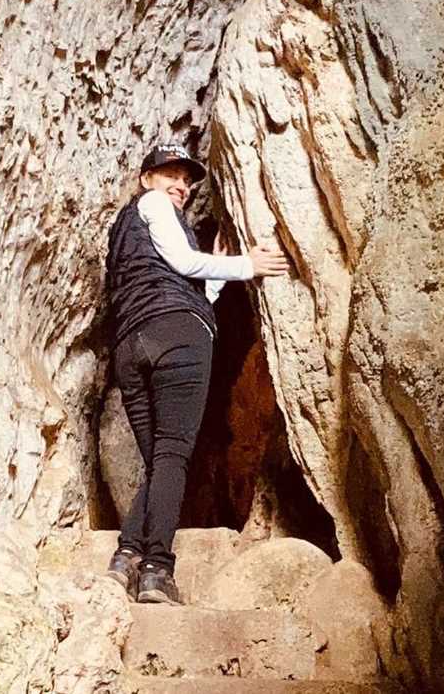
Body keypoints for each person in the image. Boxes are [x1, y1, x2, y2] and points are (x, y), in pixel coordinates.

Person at [103, 142, 288, 604]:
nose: (181, 186)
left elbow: (173, 282)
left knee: (159, 463)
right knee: (173, 457)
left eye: (186, 180)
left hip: (130, 344)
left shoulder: (122, 231)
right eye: (171, 175)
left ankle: (126, 557)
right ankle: (157, 571)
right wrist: (248, 265)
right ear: (146, 179)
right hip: (177, 336)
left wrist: (218, 277)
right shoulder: (152, 204)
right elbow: (183, 265)